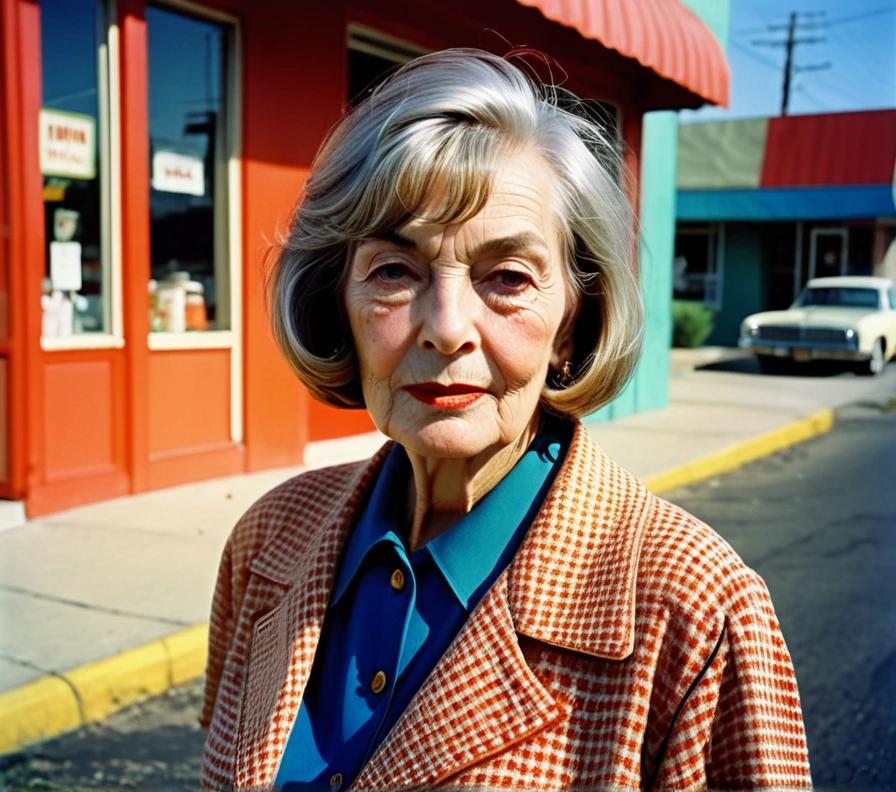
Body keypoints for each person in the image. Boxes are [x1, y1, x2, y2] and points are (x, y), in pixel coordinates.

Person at [200, 49, 812, 791]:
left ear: (571, 322)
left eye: (508, 277)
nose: (446, 327)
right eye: (395, 270)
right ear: (341, 302)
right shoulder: (268, 542)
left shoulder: (693, 609)